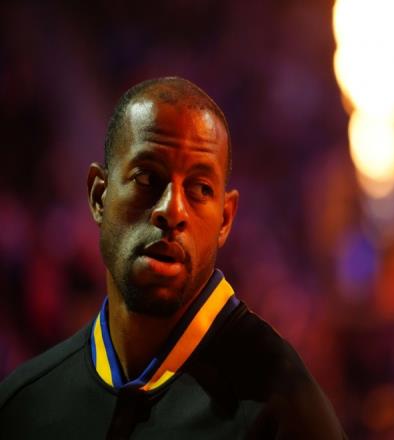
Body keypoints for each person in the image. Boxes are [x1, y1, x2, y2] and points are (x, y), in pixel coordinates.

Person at [0, 77, 347, 439]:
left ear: (225, 219)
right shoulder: (24, 407)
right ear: (98, 196)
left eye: (199, 188)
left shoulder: (283, 407)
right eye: (147, 177)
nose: (172, 209)